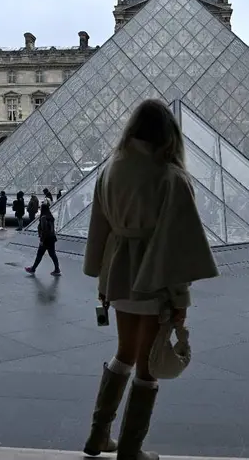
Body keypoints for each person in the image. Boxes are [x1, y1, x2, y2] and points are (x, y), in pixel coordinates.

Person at [81, 99, 218, 460]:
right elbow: (177, 246)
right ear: (167, 134)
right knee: (149, 363)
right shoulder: (170, 176)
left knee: (124, 352)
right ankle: (130, 449)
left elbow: (99, 230)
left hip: (118, 277)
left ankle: (98, 435)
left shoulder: (110, 169)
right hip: (153, 279)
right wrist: (181, 301)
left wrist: (100, 277)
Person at [25, 200, 61, 275]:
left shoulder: (43, 217)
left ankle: (33, 269)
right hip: (52, 238)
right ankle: (57, 269)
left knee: (39, 255)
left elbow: (44, 230)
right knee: (52, 254)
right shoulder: (50, 216)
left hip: (46, 240)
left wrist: (42, 240)